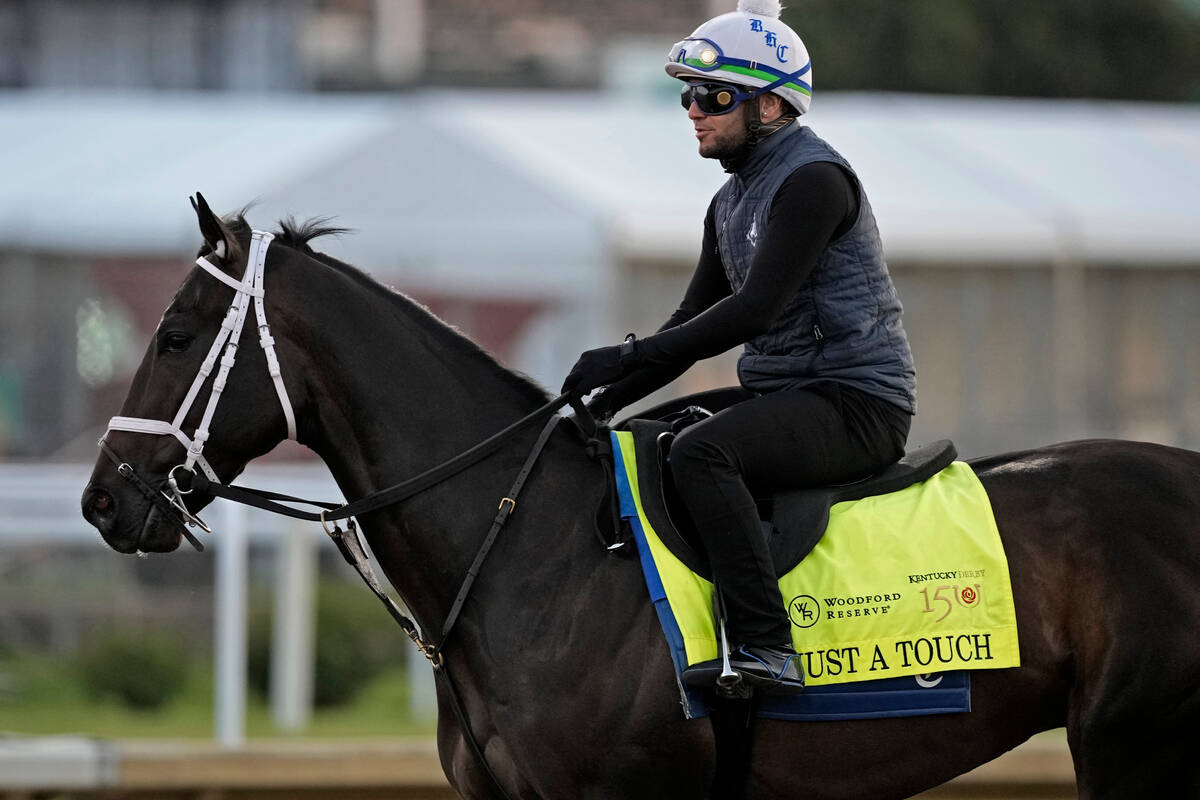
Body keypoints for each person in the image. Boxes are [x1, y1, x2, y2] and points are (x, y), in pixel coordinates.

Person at [562, 0, 916, 695]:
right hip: (790, 394)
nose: (695, 110)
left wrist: (626, 355)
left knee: (702, 451)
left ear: (773, 107)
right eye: (689, 96)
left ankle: (765, 645)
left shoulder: (814, 181)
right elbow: (689, 322)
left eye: (715, 96)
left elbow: (754, 310)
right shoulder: (729, 202)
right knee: (637, 439)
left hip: (857, 405)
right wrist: (594, 404)